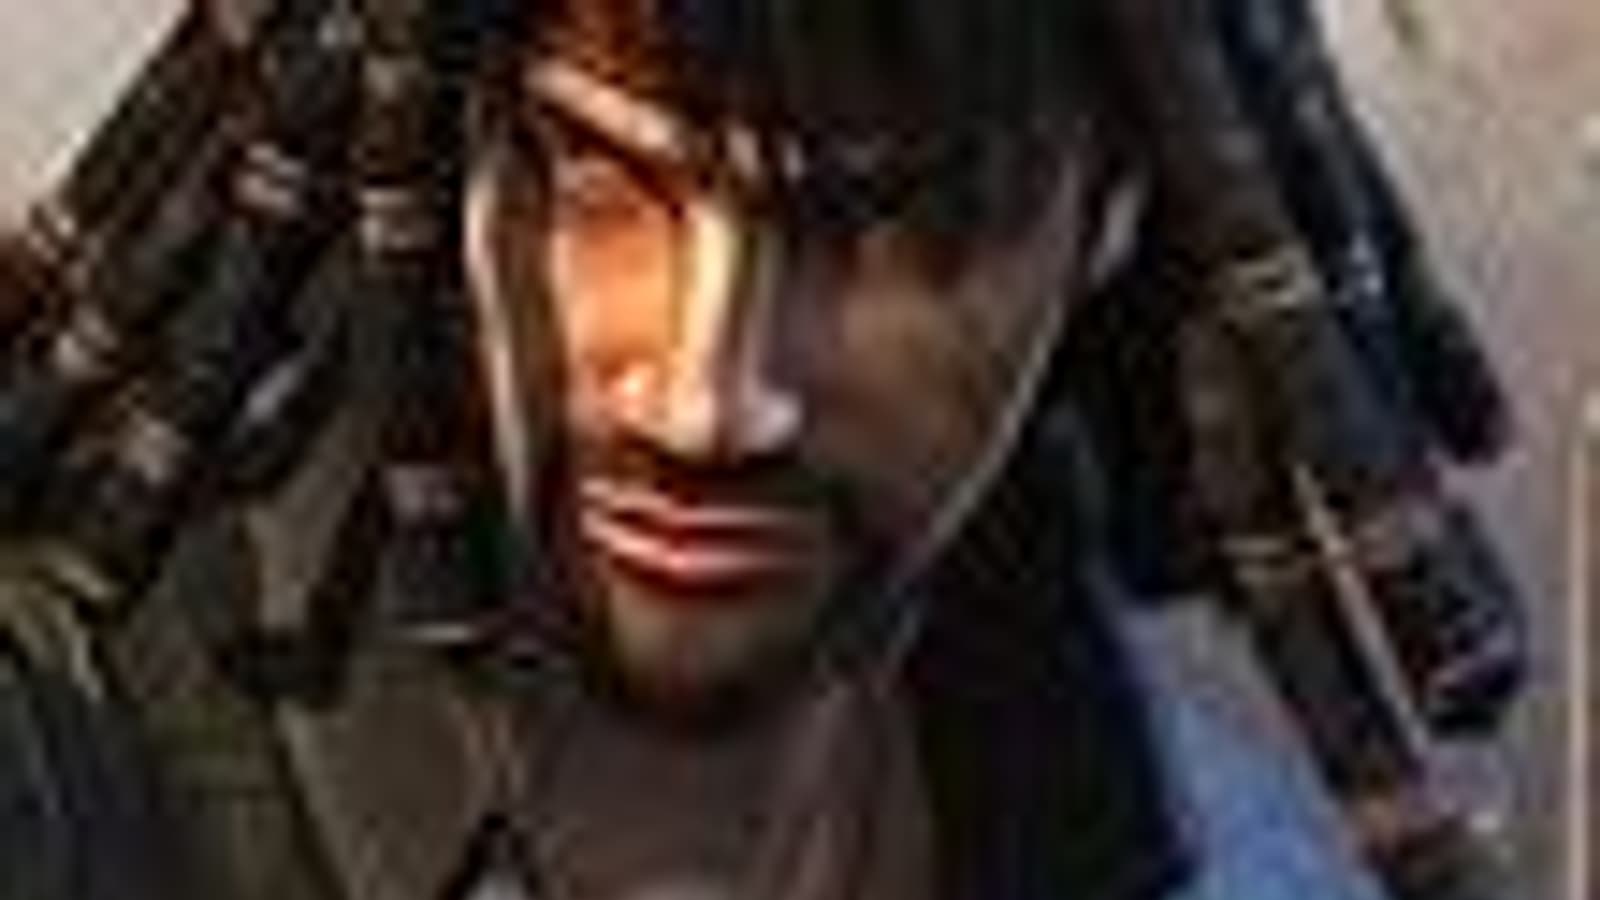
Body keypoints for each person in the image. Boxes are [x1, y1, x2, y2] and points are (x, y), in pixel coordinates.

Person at [0, 1, 1508, 898]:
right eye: (595, 173)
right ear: (444, 141)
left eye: (880, 227)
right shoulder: (66, 755)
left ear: (1113, 212)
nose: (704, 399)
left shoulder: (1232, 856)